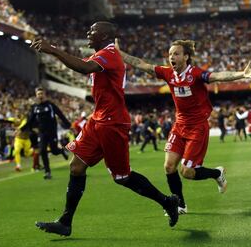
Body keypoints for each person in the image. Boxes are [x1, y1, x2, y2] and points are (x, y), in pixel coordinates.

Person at [31, 21, 179, 236]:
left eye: (93, 31)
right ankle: (65, 221)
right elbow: (84, 64)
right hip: (98, 119)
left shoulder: (110, 53)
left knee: (122, 177)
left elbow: (83, 68)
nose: (88, 33)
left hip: (113, 123)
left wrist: (52, 50)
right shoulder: (102, 54)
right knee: (76, 167)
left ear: (105, 35)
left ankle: (167, 202)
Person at [116, 39, 251, 214]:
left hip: (197, 128)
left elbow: (216, 76)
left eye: (176, 53)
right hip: (179, 125)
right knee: (169, 167)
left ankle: (216, 173)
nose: (172, 57)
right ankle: (180, 205)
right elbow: (142, 64)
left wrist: (240, 74)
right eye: (170, 54)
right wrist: (120, 53)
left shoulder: (196, 74)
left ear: (186, 56)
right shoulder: (168, 74)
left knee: (188, 172)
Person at [21, 87, 70, 179]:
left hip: (52, 132)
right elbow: (30, 120)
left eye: (41, 94)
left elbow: (60, 115)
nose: (40, 96)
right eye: (38, 94)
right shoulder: (34, 107)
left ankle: (62, 151)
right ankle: (48, 172)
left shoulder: (51, 105)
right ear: (36, 96)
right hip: (42, 133)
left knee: (54, 151)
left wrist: (69, 125)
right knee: (42, 150)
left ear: (45, 95)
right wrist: (21, 129)